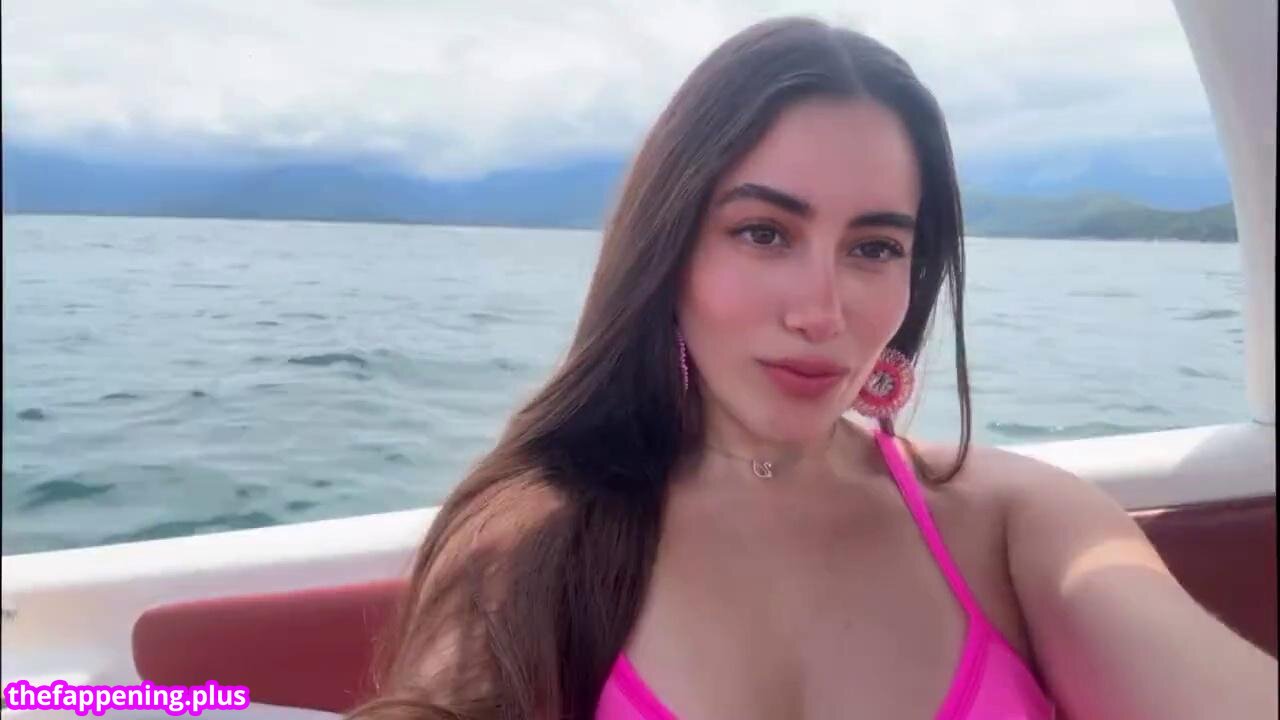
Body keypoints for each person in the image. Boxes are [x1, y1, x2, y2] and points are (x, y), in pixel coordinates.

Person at [347, 16, 1278, 720]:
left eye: (874, 248)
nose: (821, 311)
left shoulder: (1015, 525)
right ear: (669, 250)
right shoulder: (542, 543)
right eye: (763, 232)